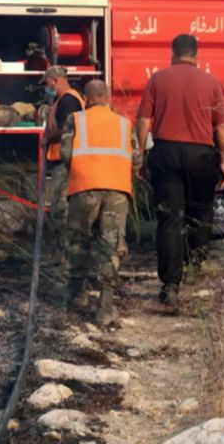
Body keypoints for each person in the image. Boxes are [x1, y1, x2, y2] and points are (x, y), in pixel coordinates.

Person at [136, 34, 224, 309]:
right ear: (196, 54)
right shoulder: (212, 83)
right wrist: (222, 160)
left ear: (173, 53)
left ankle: (170, 285)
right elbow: (222, 128)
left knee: (169, 219)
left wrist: (141, 156)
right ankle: (195, 267)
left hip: (165, 153)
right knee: (201, 212)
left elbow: (143, 121)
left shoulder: (157, 79)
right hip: (201, 154)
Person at [60, 80, 141, 325]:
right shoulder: (124, 123)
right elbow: (136, 159)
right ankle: (105, 307)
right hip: (117, 190)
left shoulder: (76, 119)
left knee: (79, 242)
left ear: (86, 98)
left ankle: (76, 296)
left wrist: (78, 171)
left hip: (84, 187)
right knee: (111, 246)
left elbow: (66, 154)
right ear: (106, 97)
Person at [42, 66, 86, 231]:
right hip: (67, 158)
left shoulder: (68, 101)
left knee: (61, 206)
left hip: (66, 160)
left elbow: (67, 130)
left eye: (48, 83)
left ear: (55, 81)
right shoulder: (69, 98)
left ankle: (64, 244)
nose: (47, 88)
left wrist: (47, 139)